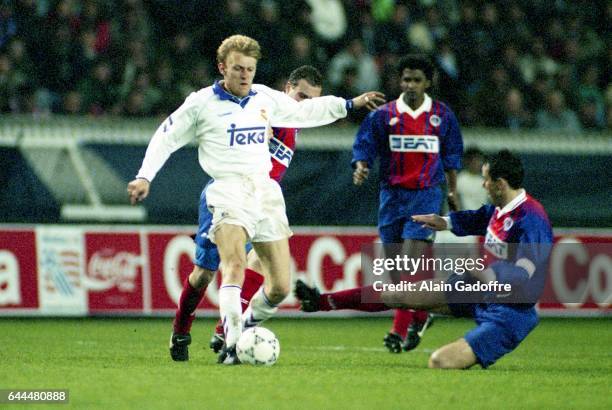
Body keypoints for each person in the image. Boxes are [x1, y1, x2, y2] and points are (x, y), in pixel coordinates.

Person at [127, 35, 384, 365]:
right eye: (238, 68)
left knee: (279, 286)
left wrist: (350, 104)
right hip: (227, 191)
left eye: (250, 68)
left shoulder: (264, 98)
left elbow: (305, 110)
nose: (245, 75)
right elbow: (166, 136)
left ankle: (240, 329)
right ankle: (221, 343)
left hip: (265, 194)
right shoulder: (201, 103)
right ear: (223, 68)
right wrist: (145, 175)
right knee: (218, 270)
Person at [295, 150, 553, 369]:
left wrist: (487, 275)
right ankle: (321, 301)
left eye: (485, 180)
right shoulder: (502, 209)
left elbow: (524, 274)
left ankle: (425, 317)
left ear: (500, 183)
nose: (482, 184)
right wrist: (443, 222)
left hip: (510, 312)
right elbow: (479, 218)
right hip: (478, 290)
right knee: (398, 294)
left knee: (440, 362)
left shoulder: (532, 219)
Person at [170, 65, 325, 361]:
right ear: (287, 88)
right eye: (300, 96)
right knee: (204, 275)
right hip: (229, 197)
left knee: (258, 266)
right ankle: (181, 329)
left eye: (310, 101)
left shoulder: (295, 125)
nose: (302, 105)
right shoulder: (265, 107)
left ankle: (226, 331)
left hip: (260, 204)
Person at [351, 54, 463, 353]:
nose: (410, 85)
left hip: (425, 194)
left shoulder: (442, 115)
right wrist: (360, 166)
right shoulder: (384, 115)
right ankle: (422, 316)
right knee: (398, 271)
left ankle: (397, 332)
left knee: (409, 262)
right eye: (406, 79)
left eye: (416, 80)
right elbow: (364, 146)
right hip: (392, 197)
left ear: (428, 82)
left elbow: (452, 157)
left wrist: (452, 191)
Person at [456, 146, 488, 211]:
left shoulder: (485, 181)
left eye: (480, 160)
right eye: (476, 160)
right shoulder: (459, 180)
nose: (479, 163)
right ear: (468, 161)